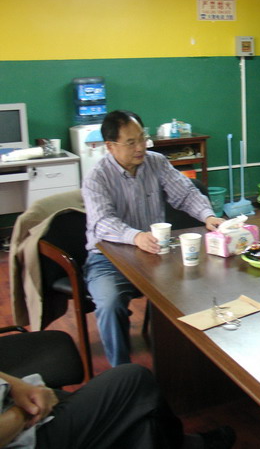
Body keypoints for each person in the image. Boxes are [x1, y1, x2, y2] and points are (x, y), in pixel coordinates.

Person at [82, 110, 224, 367]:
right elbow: (102, 222)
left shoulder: (156, 162)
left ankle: (193, 362)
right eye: (131, 142)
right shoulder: (96, 177)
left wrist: (208, 216)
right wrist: (135, 236)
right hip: (108, 259)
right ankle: (123, 373)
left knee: (202, 280)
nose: (141, 147)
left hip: (156, 251)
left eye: (142, 138)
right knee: (110, 304)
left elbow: (186, 193)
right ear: (110, 146)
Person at [0, 364, 235, 449]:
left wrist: (18, 387)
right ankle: (183, 444)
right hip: (21, 433)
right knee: (134, 379)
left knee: (135, 418)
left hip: (14, 401)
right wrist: (21, 412)